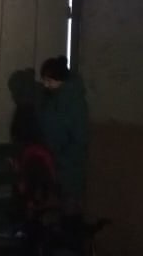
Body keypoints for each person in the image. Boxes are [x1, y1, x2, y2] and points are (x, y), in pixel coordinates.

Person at [35, 56, 89, 246]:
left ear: (60, 80)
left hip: (68, 164)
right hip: (58, 162)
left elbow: (74, 135)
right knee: (61, 210)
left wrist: (58, 150)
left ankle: (72, 245)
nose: (45, 85)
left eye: (49, 81)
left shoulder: (70, 101)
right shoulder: (56, 98)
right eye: (44, 80)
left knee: (69, 209)